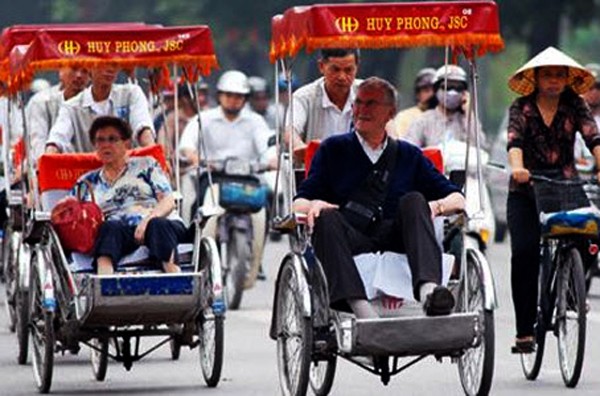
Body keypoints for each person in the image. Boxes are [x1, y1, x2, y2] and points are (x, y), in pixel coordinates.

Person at [293, 77, 465, 318]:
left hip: (398, 237)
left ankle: (429, 291)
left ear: (390, 113)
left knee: (415, 201)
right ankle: (360, 308)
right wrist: (314, 204)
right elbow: (298, 203)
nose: (361, 110)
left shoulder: (408, 154)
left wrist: (436, 206)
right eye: (358, 103)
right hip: (351, 237)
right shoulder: (333, 150)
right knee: (326, 216)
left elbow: (458, 199)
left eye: (371, 103)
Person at [506, 47, 600, 353]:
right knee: (524, 253)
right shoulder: (521, 107)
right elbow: (514, 141)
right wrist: (518, 168)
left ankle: (570, 290)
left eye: (560, 75)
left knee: (590, 235)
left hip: (565, 185)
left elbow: (593, 138)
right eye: (547, 74)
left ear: (567, 79)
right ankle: (524, 331)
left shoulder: (576, 105)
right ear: (535, 78)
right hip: (526, 189)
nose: (554, 81)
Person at [179, 70, 273, 286]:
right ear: (219, 95)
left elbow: (267, 146)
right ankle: (194, 258)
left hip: (247, 178)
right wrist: (194, 156)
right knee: (198, 210)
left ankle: (256, 257)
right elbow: (187, 144)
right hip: (213, 178)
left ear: (245, 99)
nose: (233, 100)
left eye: (239, 96)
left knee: (265, 207)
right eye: (229, 95)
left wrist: (271, 159)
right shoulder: (203, 119)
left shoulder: (255, 121)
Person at [74, 116, 185, 275]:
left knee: (158, 225)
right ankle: (105, 282)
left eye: (112, 139)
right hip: (120, 233)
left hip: (159, 222)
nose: (106, 145)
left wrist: (147, 221)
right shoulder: (87, 182)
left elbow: (168, 201)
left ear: (126, 143)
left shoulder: (146, 164)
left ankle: (175, 278)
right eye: (100, 140)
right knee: (109, 227)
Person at [45, 64, 155, 154]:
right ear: (89, 66)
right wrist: (48, 157)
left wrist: (152, 151)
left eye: (115, 63)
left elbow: (143, 126)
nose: (110, 68)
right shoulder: (71, 107)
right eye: (103, 63)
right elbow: (57, 138)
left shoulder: (131, 93)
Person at [287, 48, 361, 159]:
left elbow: (386, 122)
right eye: (335, 70)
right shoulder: (303, 97)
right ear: (321, 66)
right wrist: (299, 146)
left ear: (357, 68)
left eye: (348, 70)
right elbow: (291, 129)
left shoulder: (367, 93)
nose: (342, 77)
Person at [405, 64, 486, 148]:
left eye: (458, 88)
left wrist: (469, 114)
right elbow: (409, 150)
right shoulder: (423, 121)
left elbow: (480, 148)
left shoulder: (467, 121)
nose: (452, 92)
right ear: (436, 90)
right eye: (447, 87)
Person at [27, 67, 90, 160]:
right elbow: (37, 142)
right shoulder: (41, 101)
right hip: (50, 165)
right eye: (74, 68)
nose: (79, 75)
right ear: (61, 71)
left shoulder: (95, 103)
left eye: (85, 71)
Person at [388, 67, 436, 139]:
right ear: (418, 94)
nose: (431, 94)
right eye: (426, 90)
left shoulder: (445, 116)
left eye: (435, 90)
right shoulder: (405, 117)